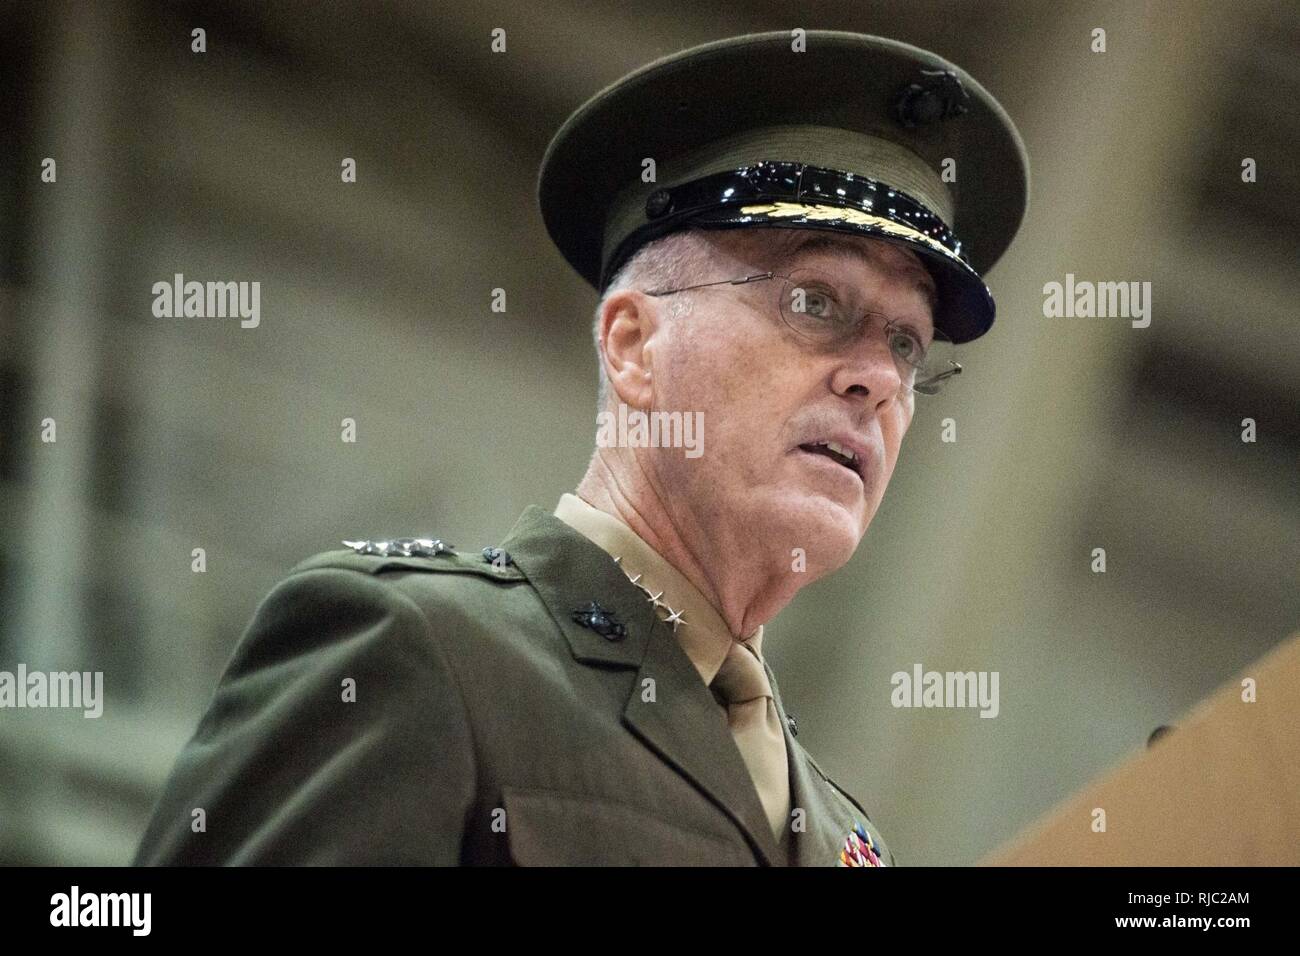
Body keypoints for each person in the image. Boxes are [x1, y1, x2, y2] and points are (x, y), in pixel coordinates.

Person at [133, 30, 1028, 867]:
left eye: (907, 343)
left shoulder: (845, 838)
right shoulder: (428, 654)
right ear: (635, 346)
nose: (874, 375)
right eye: (815, 303)